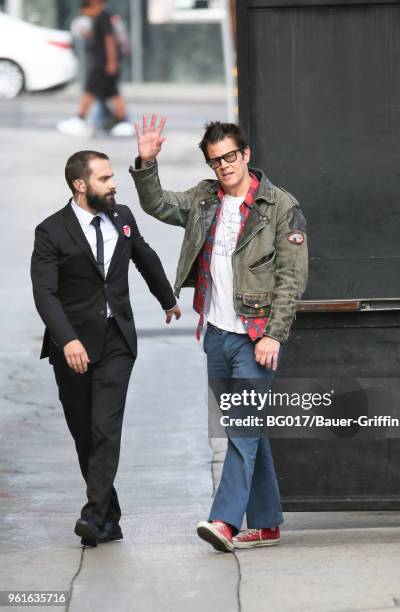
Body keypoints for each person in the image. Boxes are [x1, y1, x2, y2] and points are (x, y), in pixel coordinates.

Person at [129, 115, 308, 551]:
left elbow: (292, 278)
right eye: (216, 161)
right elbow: (159, 205)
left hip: (254, 336)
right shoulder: (205, 199)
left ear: (245, 155)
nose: (224, 166)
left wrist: (273, 335)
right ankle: (266, 523)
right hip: (216, 335)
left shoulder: (279, 206)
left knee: (242, 428)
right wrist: (146, 164)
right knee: (246, 429)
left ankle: (224, 520)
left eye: (230, 156)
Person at [31, 150, 181, 547]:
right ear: (81, 186)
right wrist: (68, 340)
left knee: (104, 428)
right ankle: (109, 517)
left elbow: (144, 257)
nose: (113, 184)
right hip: (73, 347)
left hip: (117, 339)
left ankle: (92, 514)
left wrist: (168, 298)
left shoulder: (123, 218)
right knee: (84, 433)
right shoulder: (51, 232)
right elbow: (45, 295)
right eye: (104, 179)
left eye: (112, 177)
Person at [57, 0, 134, 138]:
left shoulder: (103, 17)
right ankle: (124, 123)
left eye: (86, 11)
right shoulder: (101, 18)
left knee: (90, 91)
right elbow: (100, 37)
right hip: (103, 63)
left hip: (102, 64)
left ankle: (79, 119)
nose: (86, 14)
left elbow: (109, 40)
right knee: (113, 93)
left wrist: (111, 62)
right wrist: (88, 34)